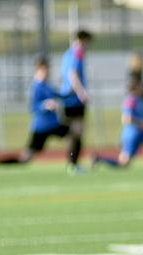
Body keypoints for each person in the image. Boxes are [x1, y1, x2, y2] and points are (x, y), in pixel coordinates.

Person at [0, 58, 70, 170]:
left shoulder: (46, 85)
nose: (47, 72)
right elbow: (33, 107)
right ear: (39, 70)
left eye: (48, 69)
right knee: (25, 158)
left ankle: (73, 163)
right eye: (45, 69)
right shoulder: (36, 87)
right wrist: (45, 105)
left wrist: (72, 92)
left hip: (53, 125)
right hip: (41, 127)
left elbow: (59, 95)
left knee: (74, 134)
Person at [92, 78, 143, 169]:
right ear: (135, 88)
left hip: (140, 133)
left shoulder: (138, 99)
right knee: (124, 163)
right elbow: (126, 119)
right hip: (131, 135)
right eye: (141, 86)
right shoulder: (131, 100)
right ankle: (99, 158)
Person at [59, 29, 93, 175]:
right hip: (74, 99)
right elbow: (72, 74)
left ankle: (72, 163)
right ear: (82, 40)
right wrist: (82, 92)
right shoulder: (77, 53)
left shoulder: (68, 53)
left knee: (74, 132)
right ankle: (73, 164)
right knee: (76, 132)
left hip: (68, 98)